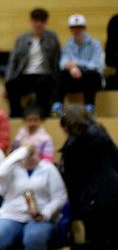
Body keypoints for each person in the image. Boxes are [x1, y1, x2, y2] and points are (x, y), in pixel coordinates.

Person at [59, 105, 118, 250]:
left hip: (92, 203)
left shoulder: (72, 146)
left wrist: (75, 213)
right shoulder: (102, 133)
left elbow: (72, 183)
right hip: (115, 194)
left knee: (96, 241)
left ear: (67, 126)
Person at [0, 143, 66, 250]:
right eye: (28, 152)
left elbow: (59, 197)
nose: (30, 156)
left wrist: (46, 213)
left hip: (40, 217)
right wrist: (21, 152)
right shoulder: (12, 168)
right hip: (11, 215)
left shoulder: (48, 168)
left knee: (34, 239)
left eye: (33, 152)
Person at [5, 8, 61, 117]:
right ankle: (16, 114)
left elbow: (56, 59)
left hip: (45, 74)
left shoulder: (52, 38)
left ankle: (43, 114)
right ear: (31, 21)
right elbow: (13, 61)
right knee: (11, 85)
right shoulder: (21, 39)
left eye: (42, 21)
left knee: (44, 84)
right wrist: (7, 81)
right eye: (36, 21)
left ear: (46, 22)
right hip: (26, 75)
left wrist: (58, 80)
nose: (39, 24)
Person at [52, 13, 104, 116]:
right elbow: (63, 62)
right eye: (73, 28)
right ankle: (57, 105)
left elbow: (96, 64)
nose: (76, 30)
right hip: (75, 78)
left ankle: (90, 107)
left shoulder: (95, 44)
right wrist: (72, 68)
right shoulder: (68, 45)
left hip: (91, 79)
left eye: (79, 27)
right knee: (60, 74)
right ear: (70, 29)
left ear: (85, 28)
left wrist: (77, 65)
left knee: (91, 74)